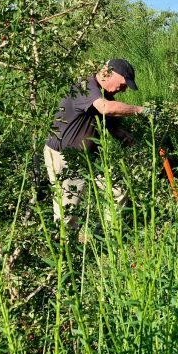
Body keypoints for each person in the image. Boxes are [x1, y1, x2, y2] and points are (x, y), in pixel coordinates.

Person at [43, 59, 148, 235]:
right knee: (67, 212)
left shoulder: (104, 96)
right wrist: (141, 110)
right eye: (123, 84)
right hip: (65, 157)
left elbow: (114, 128)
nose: (123, 90)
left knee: (119, 190)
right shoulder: (85, 87)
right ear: (110, 74)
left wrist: (136, 145)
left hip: (89, 157)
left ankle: (104, 237)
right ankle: (65, 254)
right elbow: (106, 108)